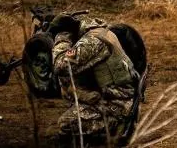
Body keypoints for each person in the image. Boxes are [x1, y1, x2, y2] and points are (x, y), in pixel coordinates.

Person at [49, 13, 140, 145]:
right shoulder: (99, 31)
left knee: (66, 124)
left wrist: (61, 39)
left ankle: (115, 128)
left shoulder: (92, 41)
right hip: (118, 97)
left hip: (117, 106)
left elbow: (60, 65)